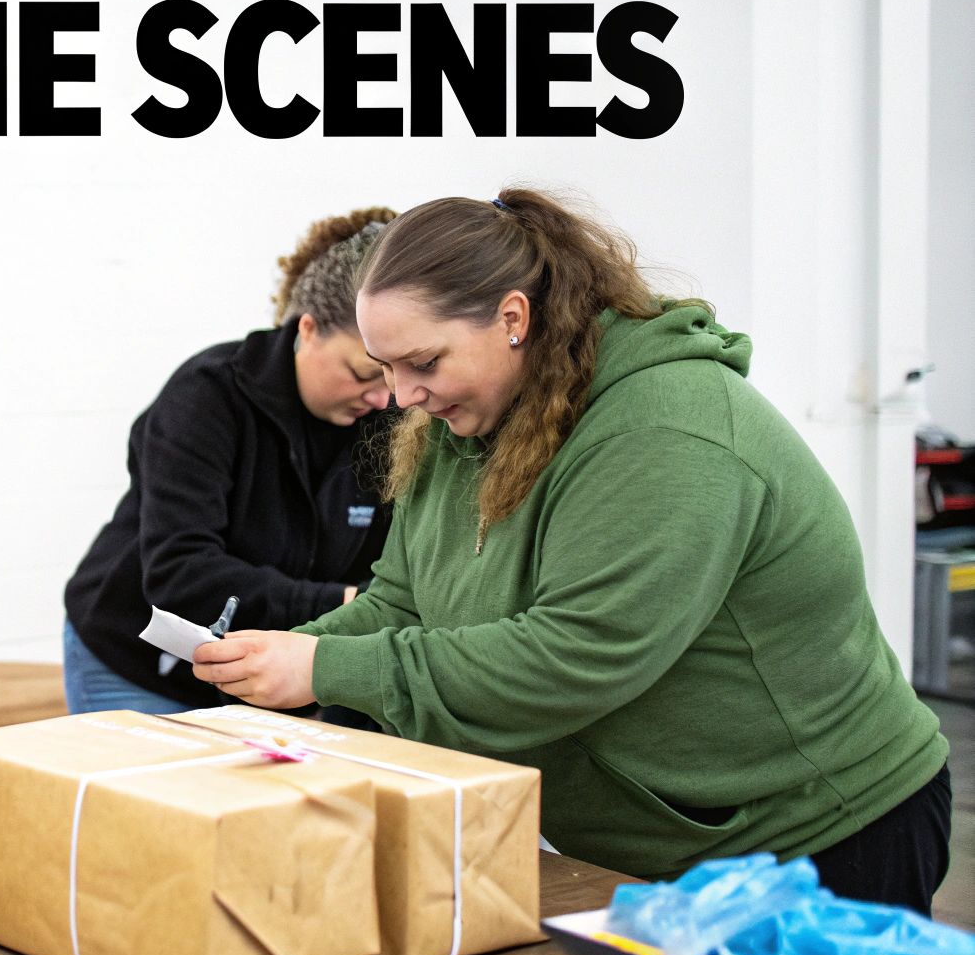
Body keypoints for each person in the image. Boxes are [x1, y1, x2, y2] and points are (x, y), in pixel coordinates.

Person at [191, 188, 952, 914]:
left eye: (422, 363)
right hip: (658, 843)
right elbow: (404, 599)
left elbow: (580, 654)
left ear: (513, 317)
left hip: (817, 834)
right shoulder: (461, 425)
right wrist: (291, 654)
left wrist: (325, 669)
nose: (400, 396)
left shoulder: (667, 429)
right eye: (385, 369)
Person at [63, 209, 399, 713]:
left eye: (392, 377)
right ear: (307, 329)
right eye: (361, 374)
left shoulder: (396, 420)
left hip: (277, 673)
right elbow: (181, 572)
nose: (380, 398)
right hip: (137, 666)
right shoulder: (207, 397)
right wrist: (349, 606)